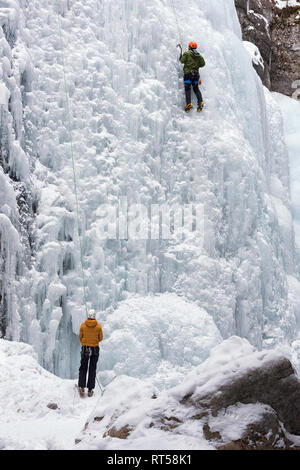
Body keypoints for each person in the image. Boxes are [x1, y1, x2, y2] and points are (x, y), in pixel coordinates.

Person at [78, 309, 103, 397]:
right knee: (92, 369)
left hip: (85, 349)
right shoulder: (99, 326)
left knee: (83, 367)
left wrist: (85, 343)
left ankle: (81, 387)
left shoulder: (83, 325)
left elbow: (80, 337)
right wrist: (94, 342)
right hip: (95, 349)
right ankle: (90, 389)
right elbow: (100, 338)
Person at [179, 41, 205, 113]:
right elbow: (203, 64)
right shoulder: (199, 55)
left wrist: (180, 56)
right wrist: (196, 65)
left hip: (188, 75)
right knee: (196, 88)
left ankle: (189, 104)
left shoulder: (187, 53)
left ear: (190, 47)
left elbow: (182, 61)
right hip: (196, 75)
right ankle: (200, 102)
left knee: (187, 88)